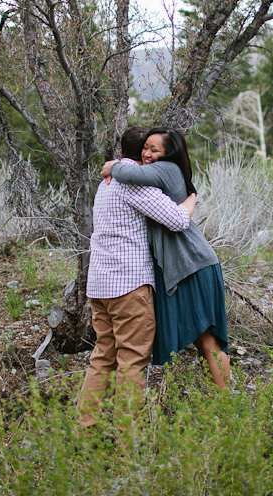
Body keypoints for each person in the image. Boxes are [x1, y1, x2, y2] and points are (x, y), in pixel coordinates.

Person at [77, 127, 197, 428]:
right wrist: (192, 195)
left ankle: (85, 429)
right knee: (132, 361)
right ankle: (128, 441)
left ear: (120, 153)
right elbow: (178, 220)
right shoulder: (134, 186)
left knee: (103, 356)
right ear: (142, 157)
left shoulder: (106, 183)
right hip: (128, 287)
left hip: (99, 286)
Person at [102, 126, 230, 388]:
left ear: (169, 153)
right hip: (184, 264)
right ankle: (221, 403)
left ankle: (227, 407)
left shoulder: (166, 169)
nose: (146, 153)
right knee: (201, 341)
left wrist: (111, 166)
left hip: (192, 263)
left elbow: (128, 172)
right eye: (144, 148)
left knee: (207, 341)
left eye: (154, 149)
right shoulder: (159, 172)